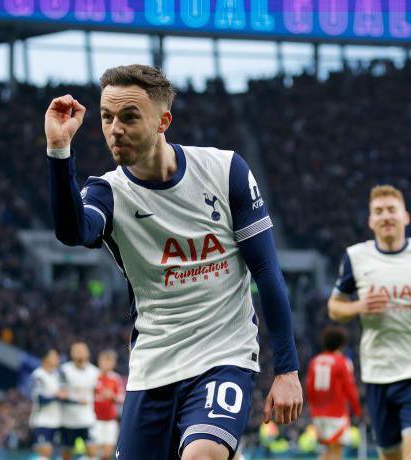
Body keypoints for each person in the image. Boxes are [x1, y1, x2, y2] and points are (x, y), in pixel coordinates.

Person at [44, 64, 302, 460]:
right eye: (107, 117)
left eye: (129, 117)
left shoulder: (224, 170)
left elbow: (266, 272)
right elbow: (73, 231)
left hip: (224, 355)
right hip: (154, 365)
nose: (115, 129)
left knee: (202, 454)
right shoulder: (108, 192)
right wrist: (60, 151)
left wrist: (287, 370)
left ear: (163, 120)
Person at [327, 185, 411, 460]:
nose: (385, 216)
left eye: (391, 210)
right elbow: (334, 307)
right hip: (379, 372)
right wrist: (359, 306)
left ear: (406, 217)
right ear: (370, 221)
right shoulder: (355, 257)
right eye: (378, 211)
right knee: (390, 455)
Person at [306, 325, 361, 460]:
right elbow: (350, 388)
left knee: (329, 451)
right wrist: (358, 410)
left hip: (318, 414)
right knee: (336, 452)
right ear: (342, 344)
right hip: (336, 413)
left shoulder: (315, 361)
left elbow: (309, 388)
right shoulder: (343, 362)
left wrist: (313, 410)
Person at [58, 342, 100, 460]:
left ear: (88, 353)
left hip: (88, 419)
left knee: (92, 453)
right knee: (66, 454)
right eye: (76, 350)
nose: (79, 353)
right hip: (68, 421)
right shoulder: (64, 370)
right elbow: (61, 394)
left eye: (82, 350)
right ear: (71, 353)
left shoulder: (95, 372)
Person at [29, 348, 65, 460]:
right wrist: (57, 396)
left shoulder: (58, 375)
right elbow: (40, 399)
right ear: (45, 359)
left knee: (59, 454)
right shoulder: (38, 375)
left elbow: (63, 395)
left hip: (57, 420)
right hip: (42, 420)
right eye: (54, 356)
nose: (57, 359)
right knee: (44, 454)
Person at [91, 350, 125, 460]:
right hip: (94, 419)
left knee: (107, 452)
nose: (106, 363)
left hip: (110, 420)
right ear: (99, 361)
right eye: (104, 360)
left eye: (109, 361)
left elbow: (122, 397)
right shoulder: (93, 376)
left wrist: (113, 397)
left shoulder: (116, 378)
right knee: (94, 451)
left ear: (114, 363)